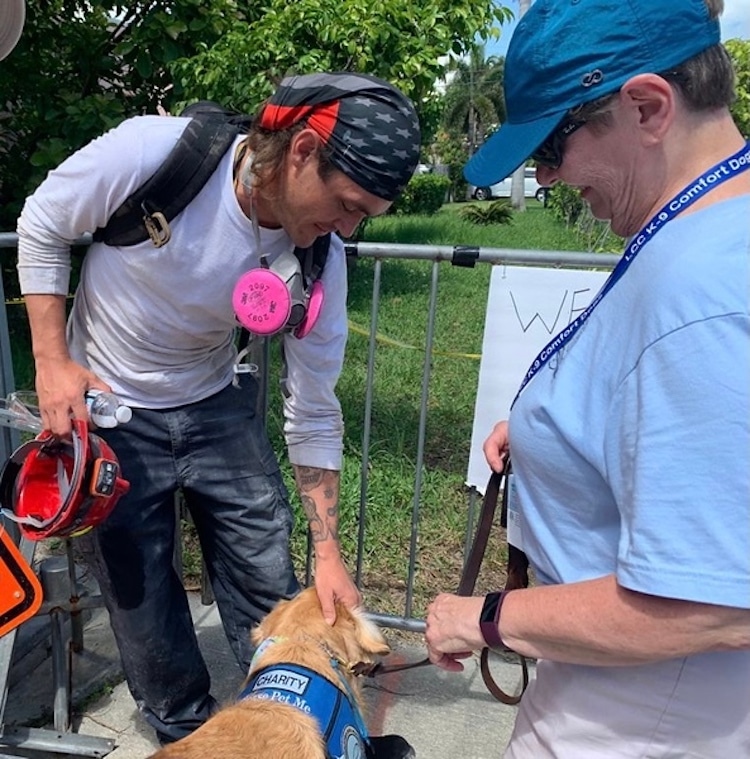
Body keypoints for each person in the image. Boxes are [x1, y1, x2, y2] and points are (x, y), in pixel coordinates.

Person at [16, 71, 420, 744]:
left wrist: (328, 553)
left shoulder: (321, 259)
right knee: (143, 604)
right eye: (347, 202)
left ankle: (288, 719)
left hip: (214, 402)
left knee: (272, 581)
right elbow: (42, 222)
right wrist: (52, 364)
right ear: (300, 152)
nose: (347, 226)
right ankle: (186, 734)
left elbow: (315, 409)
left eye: (363, 217)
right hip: (113, 411)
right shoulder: (155, 153)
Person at [424, 0, 750, 756]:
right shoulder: (702, 231)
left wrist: (485, 618)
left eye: (553, 144)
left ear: (646, 106)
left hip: (639, 717)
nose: (543, 176)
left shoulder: (701, 290)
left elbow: (710, 600)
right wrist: (550, 436)